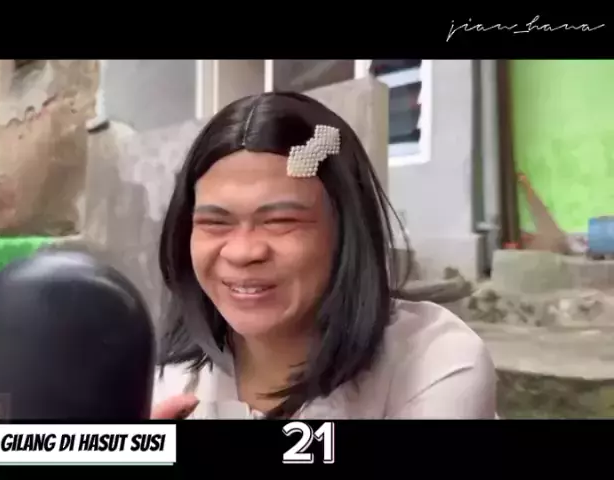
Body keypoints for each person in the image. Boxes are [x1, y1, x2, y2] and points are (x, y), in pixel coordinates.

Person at [152, 91, 497, 420]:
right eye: (215, 222)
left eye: (281, 221)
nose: (243, 252)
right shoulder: (165, 381)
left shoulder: (433, 361)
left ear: (346, 232)